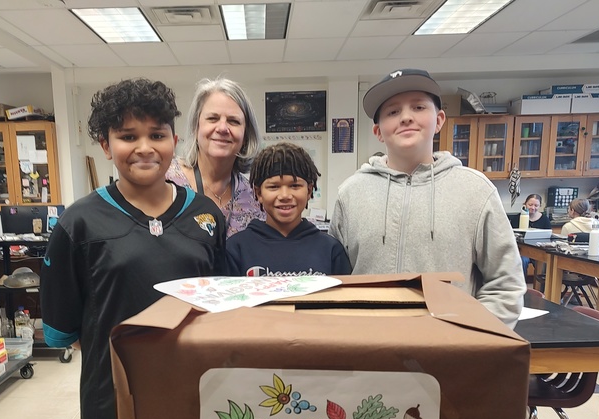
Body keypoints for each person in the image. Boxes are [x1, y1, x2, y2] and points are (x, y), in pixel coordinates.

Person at [40, 78, 226, 419]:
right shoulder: (78, 224)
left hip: (198, 404)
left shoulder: (205, 217)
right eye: (127, 135)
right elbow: (63, 331)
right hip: (113, 410)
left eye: (157, 134)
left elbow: (224, 308)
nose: (144, 147)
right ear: (105, 144)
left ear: (174, 141)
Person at [329, 68, 525, 327]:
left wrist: (469, 336)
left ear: (440, 119)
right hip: (370, 348)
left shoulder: (475, 191)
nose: (406, 117)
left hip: (449, 354)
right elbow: (335, 281)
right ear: (378, 131)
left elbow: (505, 284)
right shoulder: (351, 193)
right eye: (393, 112)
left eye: (419, 107)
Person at [226, 142, 351, 276]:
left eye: (295, 186)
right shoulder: (237, 249)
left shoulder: (330, 250)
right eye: (273, 187)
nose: (285, 196)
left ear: (309, 191)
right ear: (258, 193)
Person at [166, 77, 265, 237]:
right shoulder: (165, 181)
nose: (222, 128)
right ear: (196, 127)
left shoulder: (255, 198)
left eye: (233, 121)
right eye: (212, 118)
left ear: (246, 134)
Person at [521, 193, 552, 278]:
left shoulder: (545, 219)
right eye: (530, 205)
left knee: (545, 262)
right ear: (525, 204)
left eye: (536, 205)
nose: (533, 208)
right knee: (522, 261)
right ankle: (521, 287)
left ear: (540, 206)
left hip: (539, 251)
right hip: (522, 251)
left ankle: (542, 289)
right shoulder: (518, 218)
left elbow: (549, 237)